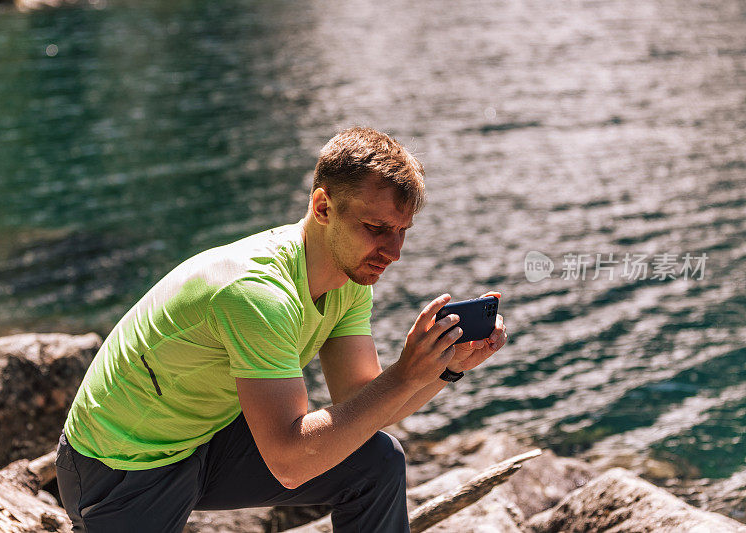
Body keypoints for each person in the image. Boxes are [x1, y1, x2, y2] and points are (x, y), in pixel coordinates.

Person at [55, 126, 508, 532]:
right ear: (322, 206)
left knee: (378, 461)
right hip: (119, 466)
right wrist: (407, 373)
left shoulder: (348, 279)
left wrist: (442, 370)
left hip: (203, 440)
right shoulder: (258, 294)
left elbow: (364, 404)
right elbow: (290, 462)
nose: (393, 251)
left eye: (402, 230)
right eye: (376, 228)